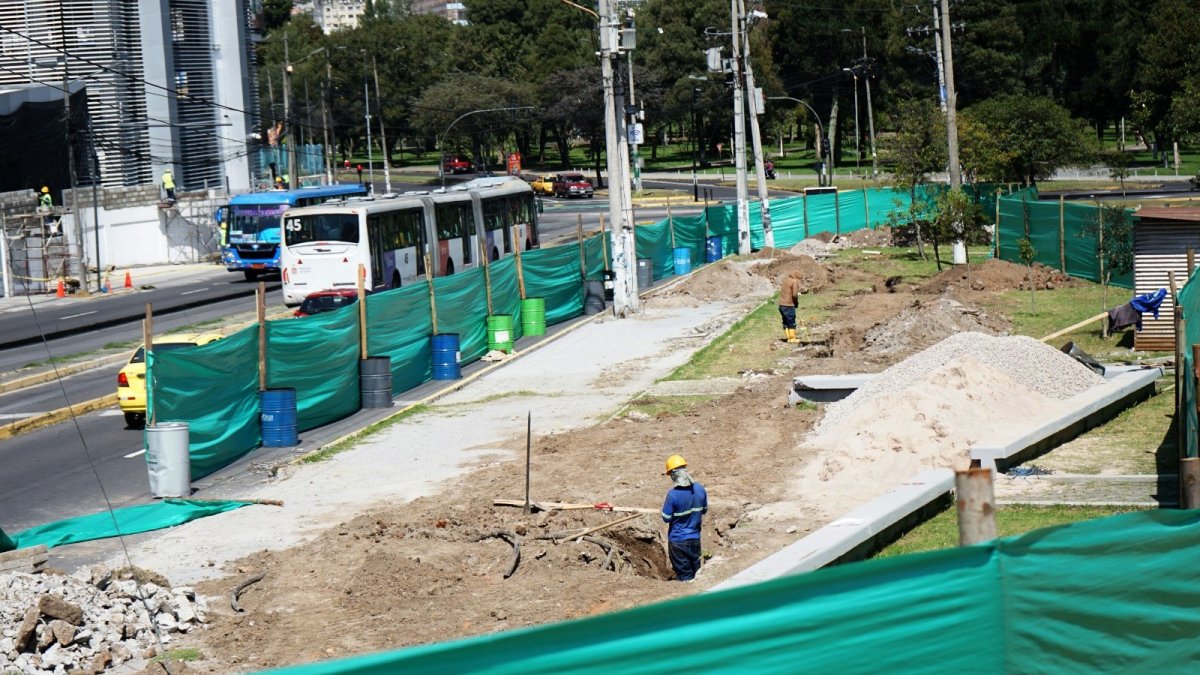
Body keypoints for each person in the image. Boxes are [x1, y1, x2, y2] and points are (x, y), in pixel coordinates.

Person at [661, 454, 707, 582]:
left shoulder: (673, 495)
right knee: (697, 573)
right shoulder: (700, 489)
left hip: (678, 541)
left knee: (685, 576)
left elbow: (666, 518)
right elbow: (704, 510)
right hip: (695, 539)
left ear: (673, 475)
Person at [778, 269, 804, 343]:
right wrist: (796, 303)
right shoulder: (794, 282)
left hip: (781, 304)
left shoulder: (786, 280)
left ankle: (789, 338)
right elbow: (794, 295)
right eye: (800, 279)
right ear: (797, 278)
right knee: (791, 321)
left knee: (785, 321)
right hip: (788, 305)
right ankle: (792, 339)